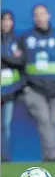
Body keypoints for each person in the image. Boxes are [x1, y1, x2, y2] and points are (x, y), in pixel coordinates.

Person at [19, 4, 55, 162]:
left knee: (53, 122)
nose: (40, 17)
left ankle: (49, 155)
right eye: (37, 14)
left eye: (43, 14)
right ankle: (53, 154)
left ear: (48, 15)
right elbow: (19, 63)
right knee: (44, 120)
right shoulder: (26, 38)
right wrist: (24, 86)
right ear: (33, 18)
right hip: (34, 88)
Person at [1, 11, 24, 162]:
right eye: (4, 20)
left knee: (5, 125)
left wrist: (4, 58)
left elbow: (20, 62)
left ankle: (4, 157)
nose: (6, 23)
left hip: (9, 90)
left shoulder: (17, 41)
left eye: (9, 20)